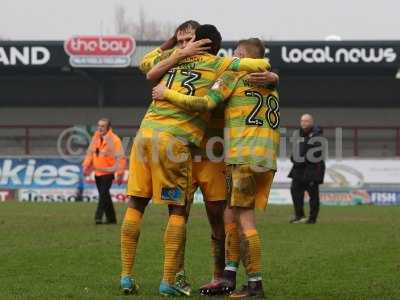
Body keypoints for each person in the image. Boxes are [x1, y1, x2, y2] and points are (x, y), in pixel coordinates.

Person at [120, 24, 271, 296]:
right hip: (183, 148)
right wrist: (175, 51)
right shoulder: (194, 64)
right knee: (179, 212)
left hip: (211, 155)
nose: (185, 44)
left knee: (218, 219)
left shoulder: (225, 70)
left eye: (190, 39)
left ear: (201, 42)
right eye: (182, 40)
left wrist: (271, 76)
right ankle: (177, 274)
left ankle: (219, 276)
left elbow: (252, 73)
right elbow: (145, 64)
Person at [153, 37, 280, 299]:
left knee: (245, 219)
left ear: (243, 54)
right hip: (266, 156)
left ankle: (255, 284)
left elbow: (204, 104)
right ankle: (229, 276)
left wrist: (167, 93)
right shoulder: (270, 83)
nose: (232, 56)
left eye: (236, 52)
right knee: (231, 214)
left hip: (244, 154)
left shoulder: (234, 75)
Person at [82, 118, 126, 224]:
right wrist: (86, 166)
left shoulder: (115, 140)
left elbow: (121, 158)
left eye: (102, 126)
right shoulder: (95, 138)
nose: (99, 128)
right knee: (105, 196)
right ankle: (112, 219)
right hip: (97, 173)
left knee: (102, 195)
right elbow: (90, 154)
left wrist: (120, 173)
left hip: (108, 173)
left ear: (108, 128)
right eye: (99, 126)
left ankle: (98, 217)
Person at [288, 113, 325, 224]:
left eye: (306, 121)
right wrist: (293, 158)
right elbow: (295, 151)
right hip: (298, 170)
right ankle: (299, 216)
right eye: (302, 121)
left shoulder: (318, 136)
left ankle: (312, 218)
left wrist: (300, 160)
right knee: (295, 191)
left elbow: (316, 154)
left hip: (312, 170)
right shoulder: (298, 135)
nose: (304, 123)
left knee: (313, 195)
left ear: (311, 122)